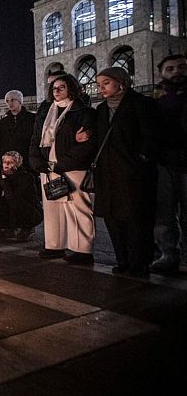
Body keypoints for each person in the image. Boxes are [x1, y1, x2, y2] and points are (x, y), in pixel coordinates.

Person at [93, 67, 157, 277]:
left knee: (136, 219)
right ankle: (123, 260)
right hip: (108, 174)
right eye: (99, 84)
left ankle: (139, 263)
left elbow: (151, 136)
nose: (101, 88)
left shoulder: (140, 104)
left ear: (121, 83)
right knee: (113, 218)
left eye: (106, 83)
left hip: (133, 174)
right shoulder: (102, 109)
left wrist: (141, 158)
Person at [30, 73, 98, 264]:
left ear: (72, 88)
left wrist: (61, 164)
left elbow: (86, 144)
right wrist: (37, 162)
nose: (57, 91)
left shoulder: (82, 112)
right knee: (53, 208)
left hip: (72, 168)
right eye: (54, 88)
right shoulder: (46, 111)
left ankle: (82, 249)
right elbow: (36, 138)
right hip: (48, 168)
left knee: (78, 208)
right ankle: (54, 245)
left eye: (62, 87)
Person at [151, 54, 187, 272]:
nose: (176, 72)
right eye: (170, 68)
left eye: (182, 67)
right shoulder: (155, 99)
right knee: (163, 212)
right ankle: (168, 253)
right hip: (163, 162)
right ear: (161, 73)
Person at [0, 151, 41, 240]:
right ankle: (7, 228)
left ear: (17, 164)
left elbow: (13, 197)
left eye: (11, 162)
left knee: (15, 202)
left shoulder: (26, 177)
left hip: (29, 210)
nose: (7, 165)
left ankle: (27, 228)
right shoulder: (1, 177)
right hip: (13, 205)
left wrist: (4, 181)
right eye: (5, 162)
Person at [0, 90, 36, 165]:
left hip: (28, 161)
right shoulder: (3, 122)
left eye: (12, 100)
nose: (10, 103)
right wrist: (0, 156)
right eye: (7, 101)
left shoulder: (32, 119)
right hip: (8, 162)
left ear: (20, 101)